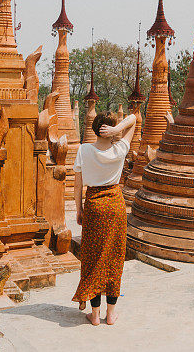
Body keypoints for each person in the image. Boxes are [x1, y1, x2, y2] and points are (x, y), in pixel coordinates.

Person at [72, 111, 137, 326]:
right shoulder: (119, 149)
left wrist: (79, 210)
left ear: (95, 128)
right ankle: (111, 314)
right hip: (115, 205)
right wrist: (118, 131)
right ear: (109, 130)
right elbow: (134, 118)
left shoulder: (84, 149)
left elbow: (78, 185)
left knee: (92, 258)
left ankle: (95, 315)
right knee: (113, 258)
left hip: (94, 205)